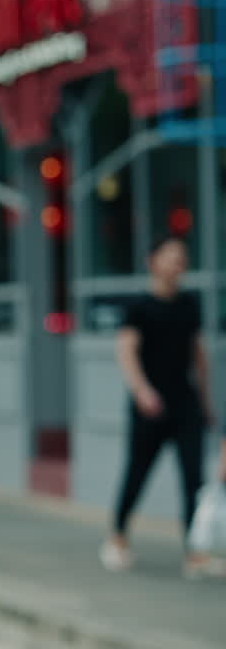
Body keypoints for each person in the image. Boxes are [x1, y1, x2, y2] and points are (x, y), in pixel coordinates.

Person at [102, 235, 222, 578]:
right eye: (171, 257)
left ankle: (194, 550)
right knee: (137, 473)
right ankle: (118, 536)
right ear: (152, 261)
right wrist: (142, 391)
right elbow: (126, 351)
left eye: (182, 258)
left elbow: (198, 355)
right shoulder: (139, 307)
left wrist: (205, 401)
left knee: (193, 478)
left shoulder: (189, 303)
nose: (178, 264)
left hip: (186, 403)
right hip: (150, 406)